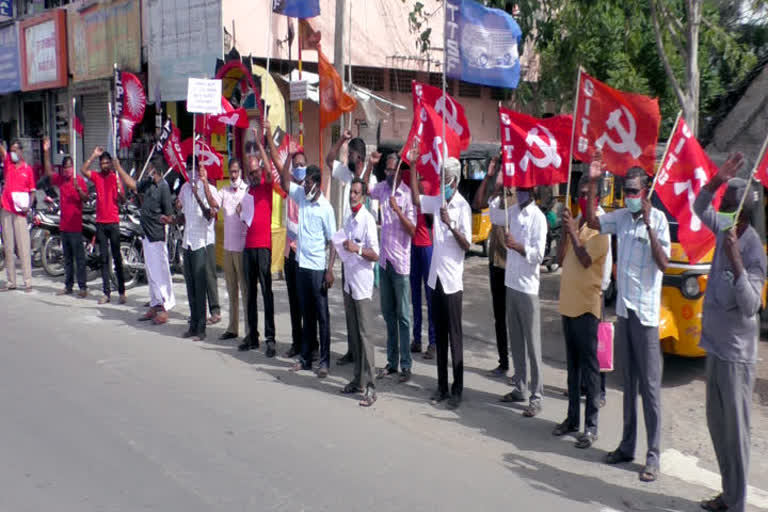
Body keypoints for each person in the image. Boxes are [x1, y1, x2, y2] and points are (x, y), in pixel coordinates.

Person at [585, 152, 670, 483]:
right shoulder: (621, 217)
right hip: (625, 311)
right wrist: (593, 181)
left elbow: (663, 263)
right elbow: (593, 221)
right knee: (627, 383)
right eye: (626, 191)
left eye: (635, 191)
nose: (630, 197)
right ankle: (627, 445)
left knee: (650, 388)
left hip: (647, 317)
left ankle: (653, 455)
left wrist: (648, 225)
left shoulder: (659, 222)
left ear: (646, 191)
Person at [693, 153, 766, 512]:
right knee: (718, 427)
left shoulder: (753, 250)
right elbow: (698, 205)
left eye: (730, 207)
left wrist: (736, 260)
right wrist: (715, 181)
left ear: (745, 214)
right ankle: (727, 493)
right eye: (724, 205)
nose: (723, 211)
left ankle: (735, 504)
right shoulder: (723, 227)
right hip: (715, 348)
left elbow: (752, 304)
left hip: (737, 357)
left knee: (737, 435)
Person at [553, 175, 610, 448]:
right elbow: (559, 258)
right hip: (568, 305)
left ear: (596, 199)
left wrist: (574, 233)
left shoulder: (601, 228)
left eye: (589, 195)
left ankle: (591, 426)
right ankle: (572, 418)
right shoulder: (574, 222)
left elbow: (587, 260)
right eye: (580, 194)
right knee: (572, 370)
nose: (583, 199)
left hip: (588, 309)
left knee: (590, 370)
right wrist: (566, 231)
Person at [411, 155, 471, 409]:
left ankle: (458, 390)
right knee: (440, 338)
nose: (442, 183)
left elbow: (467, 244)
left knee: (455, 337)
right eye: (440, 179)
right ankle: (442, 386)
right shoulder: (437, 201)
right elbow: (416, 199)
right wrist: (413, 166)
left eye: (446, 179)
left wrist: (450, 224)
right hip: (435, 278)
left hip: (452, 281)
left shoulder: (462, 207)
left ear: (455, 180)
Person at [326, 129, 380, 364]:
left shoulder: (371, 181)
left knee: (361, 313)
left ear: (358, 157)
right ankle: (352, 351)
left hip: (362, 254)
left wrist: (369, 166)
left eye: (349, 154)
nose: (345, 158)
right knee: (349, 307)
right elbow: (329, 160)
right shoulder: (346, 175)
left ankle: (363, 360)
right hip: (346, 248)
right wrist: (342, 139)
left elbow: (365, 189)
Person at [495, 183, 547, 418]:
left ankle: (537, 395)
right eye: (519, 189)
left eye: (525, 189)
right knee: (515, 340)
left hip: (528, 287)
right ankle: (520, 387)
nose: (521, 193)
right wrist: (497, 189)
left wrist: (518, 247)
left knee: (532, 345)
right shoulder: (512, 211)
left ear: (533, 192)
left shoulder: (538, 218)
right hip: (511, 283)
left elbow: (539, 255)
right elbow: (494, 214)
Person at [279, 162, 336, 378]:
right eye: (304, 183)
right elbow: (285, 182)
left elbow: (332, 242)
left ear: (317, 184)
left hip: (317, 269)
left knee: (322, 316)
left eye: (309, 183)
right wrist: (288, 160)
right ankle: (305, 359)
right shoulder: (301, 197)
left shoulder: (326, 209)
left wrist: (329, 270)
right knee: (306, 315)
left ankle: (324, 361)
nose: (304, 186)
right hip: (301, 265)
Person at [330, 177, 380, 406]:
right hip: (349, 281)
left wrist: (357, 248)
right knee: (354, 334)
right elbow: (341, 243)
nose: (352, 196)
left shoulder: (367, 220)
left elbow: (375, 254)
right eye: (351, 192)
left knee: (365, 335)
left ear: (364, 196)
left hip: (362, 283)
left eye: (356, 193)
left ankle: (371, 385)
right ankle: (358, 379)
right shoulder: (349, 219)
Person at [369, 153, 416, 383]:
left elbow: (413, 230)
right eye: (386, 170)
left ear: (399, 171)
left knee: (403, 317)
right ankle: (392, 361)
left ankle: (406, 365)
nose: (388, 174)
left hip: (401, 265)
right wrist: (370, 166)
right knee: (388, 315)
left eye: (392, 170)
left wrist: (398, 210)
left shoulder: (406, 195)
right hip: (384, 262)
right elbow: (365, 189)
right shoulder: (382, 189)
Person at [115, 154, 176, 324]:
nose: (147, 172)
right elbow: (133, 184)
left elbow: (169, 215)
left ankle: (165, 306)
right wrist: (119, 168)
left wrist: (167, 219)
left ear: (156, 171)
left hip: (157, 236)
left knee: (161, 273)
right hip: (146, 235)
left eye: (150, 169)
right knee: (151, 273)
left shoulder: (163, 187)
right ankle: (155, 304)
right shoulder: (148, 184)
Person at [238, 133, 277, 356]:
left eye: (255, 171)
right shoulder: (248, 191)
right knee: (249, 294)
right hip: (248, 247)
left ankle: (270, 338)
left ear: (259, 170)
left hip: (263, 246)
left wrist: (261, 147)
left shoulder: (265, 185)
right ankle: (252, 335)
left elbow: (271, 172)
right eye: (249, 172)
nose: (252, 175)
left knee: (266, 292)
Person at [473, 155, 510, 376]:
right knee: (499, 317)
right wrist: (488, 178)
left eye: (501, 171)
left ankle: (520, 368)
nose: (499, 174)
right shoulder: (495, 197)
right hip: (495, 263)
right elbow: (478, 203)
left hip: (511, 265)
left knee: (513, 320)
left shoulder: (514, 197)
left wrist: (504, 187)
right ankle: (503, 361)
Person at [176, 159, 220, 341]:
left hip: (201, 242)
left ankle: (201, 328)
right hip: (187, 242)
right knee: (191, 287)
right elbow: (183, 216)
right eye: (188, 169)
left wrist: (199, 194)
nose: (190, 173)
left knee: (201, 287)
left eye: (193, 169)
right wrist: (173, 216)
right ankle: (193, 325)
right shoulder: (185, 188)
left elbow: (211, 215)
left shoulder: (207, 188)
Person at [279, 146, 315, 359]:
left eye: (303, 165)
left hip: (307, 253)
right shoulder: (290, 188)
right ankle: (296, 342)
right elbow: (283, 177)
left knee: (307, 301)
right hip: (290, 251)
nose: (300, 168)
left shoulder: (310, 191)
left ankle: (312, 343)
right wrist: (288, 159)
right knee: (293, 300)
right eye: (296, 165)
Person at [80, 147, 128, 304]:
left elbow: (123, 200)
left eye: (107, 163)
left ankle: (121, 291)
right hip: (100, 223)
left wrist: (121, 193)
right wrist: (94, 155)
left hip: (113, 222)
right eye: (102, 163)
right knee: (103, 259)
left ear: (111, 164)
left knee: (116, 257)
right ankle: (106, 293)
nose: (104, 165)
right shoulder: (97, 177)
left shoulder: (115, 178)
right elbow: (83, 169)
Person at [42, 137, 88, 298]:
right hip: (64, 226)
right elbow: (48, 172)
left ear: (73, 167)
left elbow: (85, 199)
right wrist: (46, 152)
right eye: (65, 167)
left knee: (79, 259)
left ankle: (83, 287)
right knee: (67, 259)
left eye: (70, 167)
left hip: (75, 227)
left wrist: (79, 189)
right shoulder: (61, 180)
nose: (68, 170)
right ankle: (68, 286)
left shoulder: (79, 181)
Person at [217, 157, 249, 341]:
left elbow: (251, 217)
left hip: (242, 247)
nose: (234, 175)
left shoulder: (247, 191)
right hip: (228, 247)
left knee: (245, 290)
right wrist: (204, 183)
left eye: (236, 171)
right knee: (231, 289)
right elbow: (214, 202)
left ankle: (249, 330)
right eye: (231, 172)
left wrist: (242, 212)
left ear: (241, 173)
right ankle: (232, 327)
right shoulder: (225, 191)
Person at [0, 139, 35, 292]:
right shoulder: (8, 165)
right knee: (8, 246)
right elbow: (2, 151)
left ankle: (27, 282)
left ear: (21, 151)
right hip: (6, 209)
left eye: (16, 150)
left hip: (21, 211)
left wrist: (29, 205)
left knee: (23, 247)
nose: (13, 153)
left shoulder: (27, 169)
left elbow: (32, 191)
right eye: (11, 150)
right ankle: (11, 281)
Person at [409, 170, 437, 359]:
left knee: (430, 296)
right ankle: (417, 339)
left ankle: (433, 342)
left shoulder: (430, 184)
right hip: (414, 244)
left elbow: (416, 196)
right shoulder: (418, 180)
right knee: (416, 297)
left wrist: (412, 169)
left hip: (428, 245)